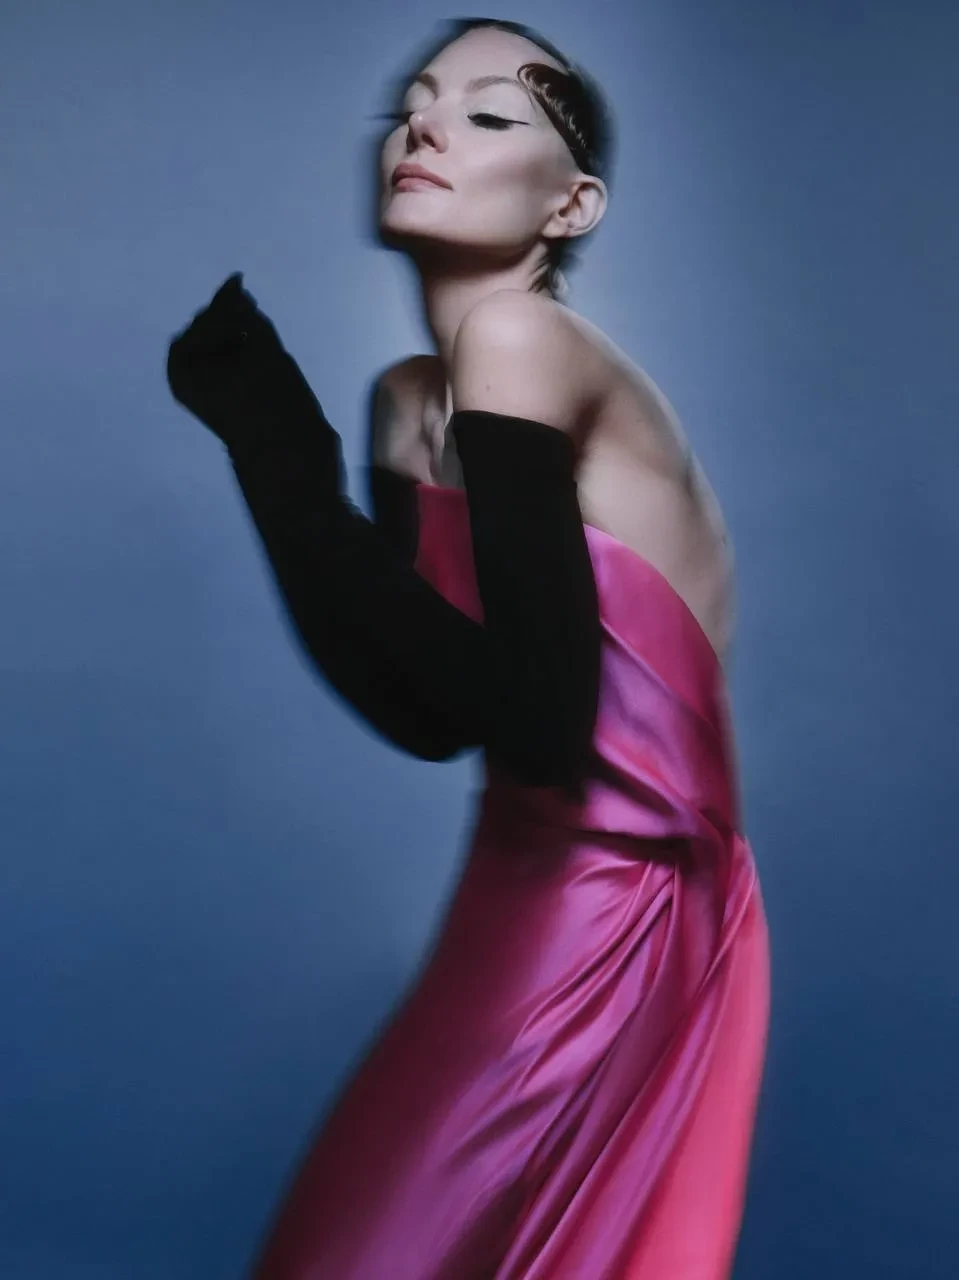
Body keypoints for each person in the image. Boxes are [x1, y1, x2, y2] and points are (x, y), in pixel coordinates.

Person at [166, 17, 770, 1278]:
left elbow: (537, 719)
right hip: (513, 875)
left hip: (619, 900)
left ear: (570, 205)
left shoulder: (520, 341)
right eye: (412, 105)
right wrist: (275, 458)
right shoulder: (409, 397)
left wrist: (284, 457)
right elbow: (426, 711)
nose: (424, 127)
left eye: (489, 114)